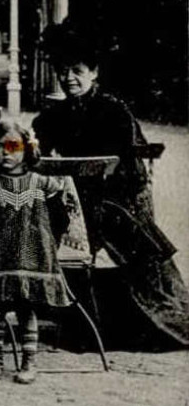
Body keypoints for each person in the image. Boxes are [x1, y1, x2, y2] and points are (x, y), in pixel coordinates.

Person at [32, 23, 189, 350]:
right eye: (63, 71)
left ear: (94, 72)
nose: (69, 78)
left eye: (77, 70)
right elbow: (41, 158)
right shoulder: (50, 117)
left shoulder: (114, 111)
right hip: (67, 201)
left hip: (112, 201)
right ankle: (58, 310)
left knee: (121, 242)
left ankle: (110, 324)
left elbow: (131, 171)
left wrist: (94, 180)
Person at [0, 118, 71, 383]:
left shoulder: (44, 183)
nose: (7, 152)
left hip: (33, 254)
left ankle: (28, 363)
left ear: (27, 148)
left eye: (14, 146)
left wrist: (50, 243)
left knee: (26, 308)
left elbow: (61, 219)